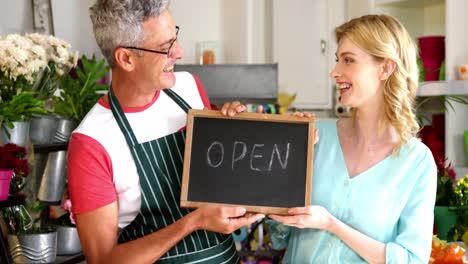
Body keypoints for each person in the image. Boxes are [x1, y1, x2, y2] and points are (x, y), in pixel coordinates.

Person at [67, 1, 264, 263]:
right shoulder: (92, 142)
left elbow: (223, 180)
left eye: (176, 38)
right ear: (125, 58)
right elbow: (104, 259)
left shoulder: (189, 89)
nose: (179, 52)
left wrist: (237, 130)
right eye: (165, 47)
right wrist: (194, 222)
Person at [268, 14, 437, 263]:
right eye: (338, 60)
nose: (335, 72)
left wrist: (332, 225)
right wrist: (289, 164)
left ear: (385, 68)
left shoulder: (417, 163)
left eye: (348, 60)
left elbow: (411, 259)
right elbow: (278, 237)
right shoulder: (316, 136)